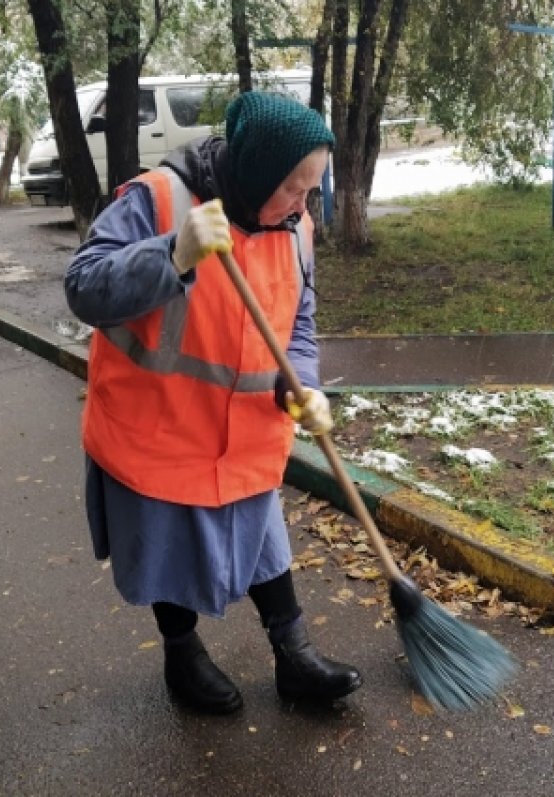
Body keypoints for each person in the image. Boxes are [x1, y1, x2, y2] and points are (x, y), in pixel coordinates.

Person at [64, 91, 361, 715]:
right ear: (256, 173)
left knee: (263, 543)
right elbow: (85, 287)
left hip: (244, 434)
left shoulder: (294, 226)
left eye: (312, 190)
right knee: (164, 547)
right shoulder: (158, 199)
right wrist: (172, 252)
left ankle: (294, 657)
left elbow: (297, 327)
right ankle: (183, 655)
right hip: (159, 430)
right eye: (293, 189)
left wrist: (301, 383)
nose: (304, 205)